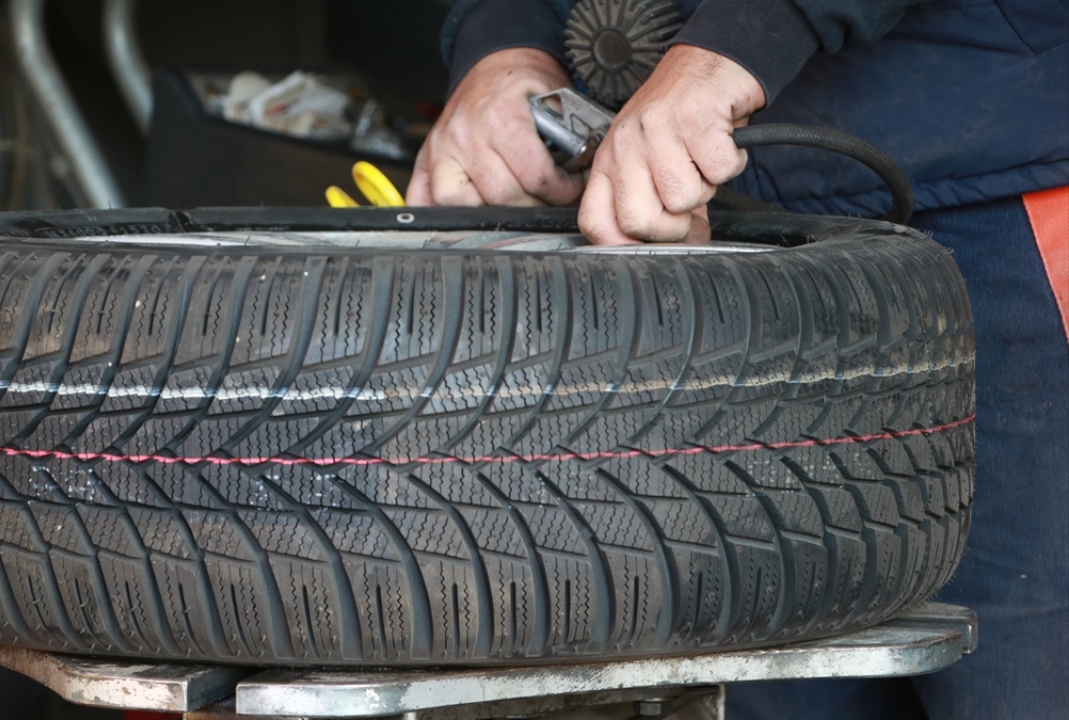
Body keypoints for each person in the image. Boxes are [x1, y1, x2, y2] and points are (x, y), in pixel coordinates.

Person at [409, 1, 1069, 718]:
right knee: (769, 677)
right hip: (716, 236)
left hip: (991, 202)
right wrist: (506, 43)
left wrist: (739, 40)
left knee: (1022, 676)